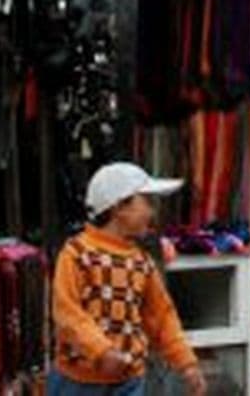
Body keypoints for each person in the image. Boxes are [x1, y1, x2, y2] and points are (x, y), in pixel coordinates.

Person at [50, 162, 204, 396]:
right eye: (145, 202)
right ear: (119, 207)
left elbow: (161, 316)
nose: (151, 212)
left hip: (129, 381)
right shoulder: (76, 254)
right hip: (77, 382)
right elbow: (67, 312)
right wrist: (101, 351)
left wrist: (186, 362)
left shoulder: (142, 262)